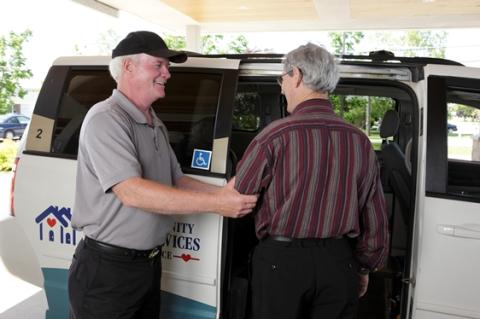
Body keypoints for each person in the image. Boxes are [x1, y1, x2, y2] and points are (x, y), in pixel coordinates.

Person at [68, 31, 258, 319]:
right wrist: (217, 204)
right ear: (128, 67)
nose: (167, 73)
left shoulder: (153, 121)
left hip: (146, 267)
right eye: (159, 65)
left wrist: (223, 192)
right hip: (107, 271)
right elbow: (131, 192)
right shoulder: (106, 118)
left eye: (167, 66)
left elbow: (177, 179)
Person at [235, 43, 389, 319]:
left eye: (282, 78)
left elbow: (239, 195)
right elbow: (374, 215)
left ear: (296, 75)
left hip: (280, 263)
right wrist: (363, 267)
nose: (281, 86)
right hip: (339, 263)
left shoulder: (273, 136)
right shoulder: (359, 141)